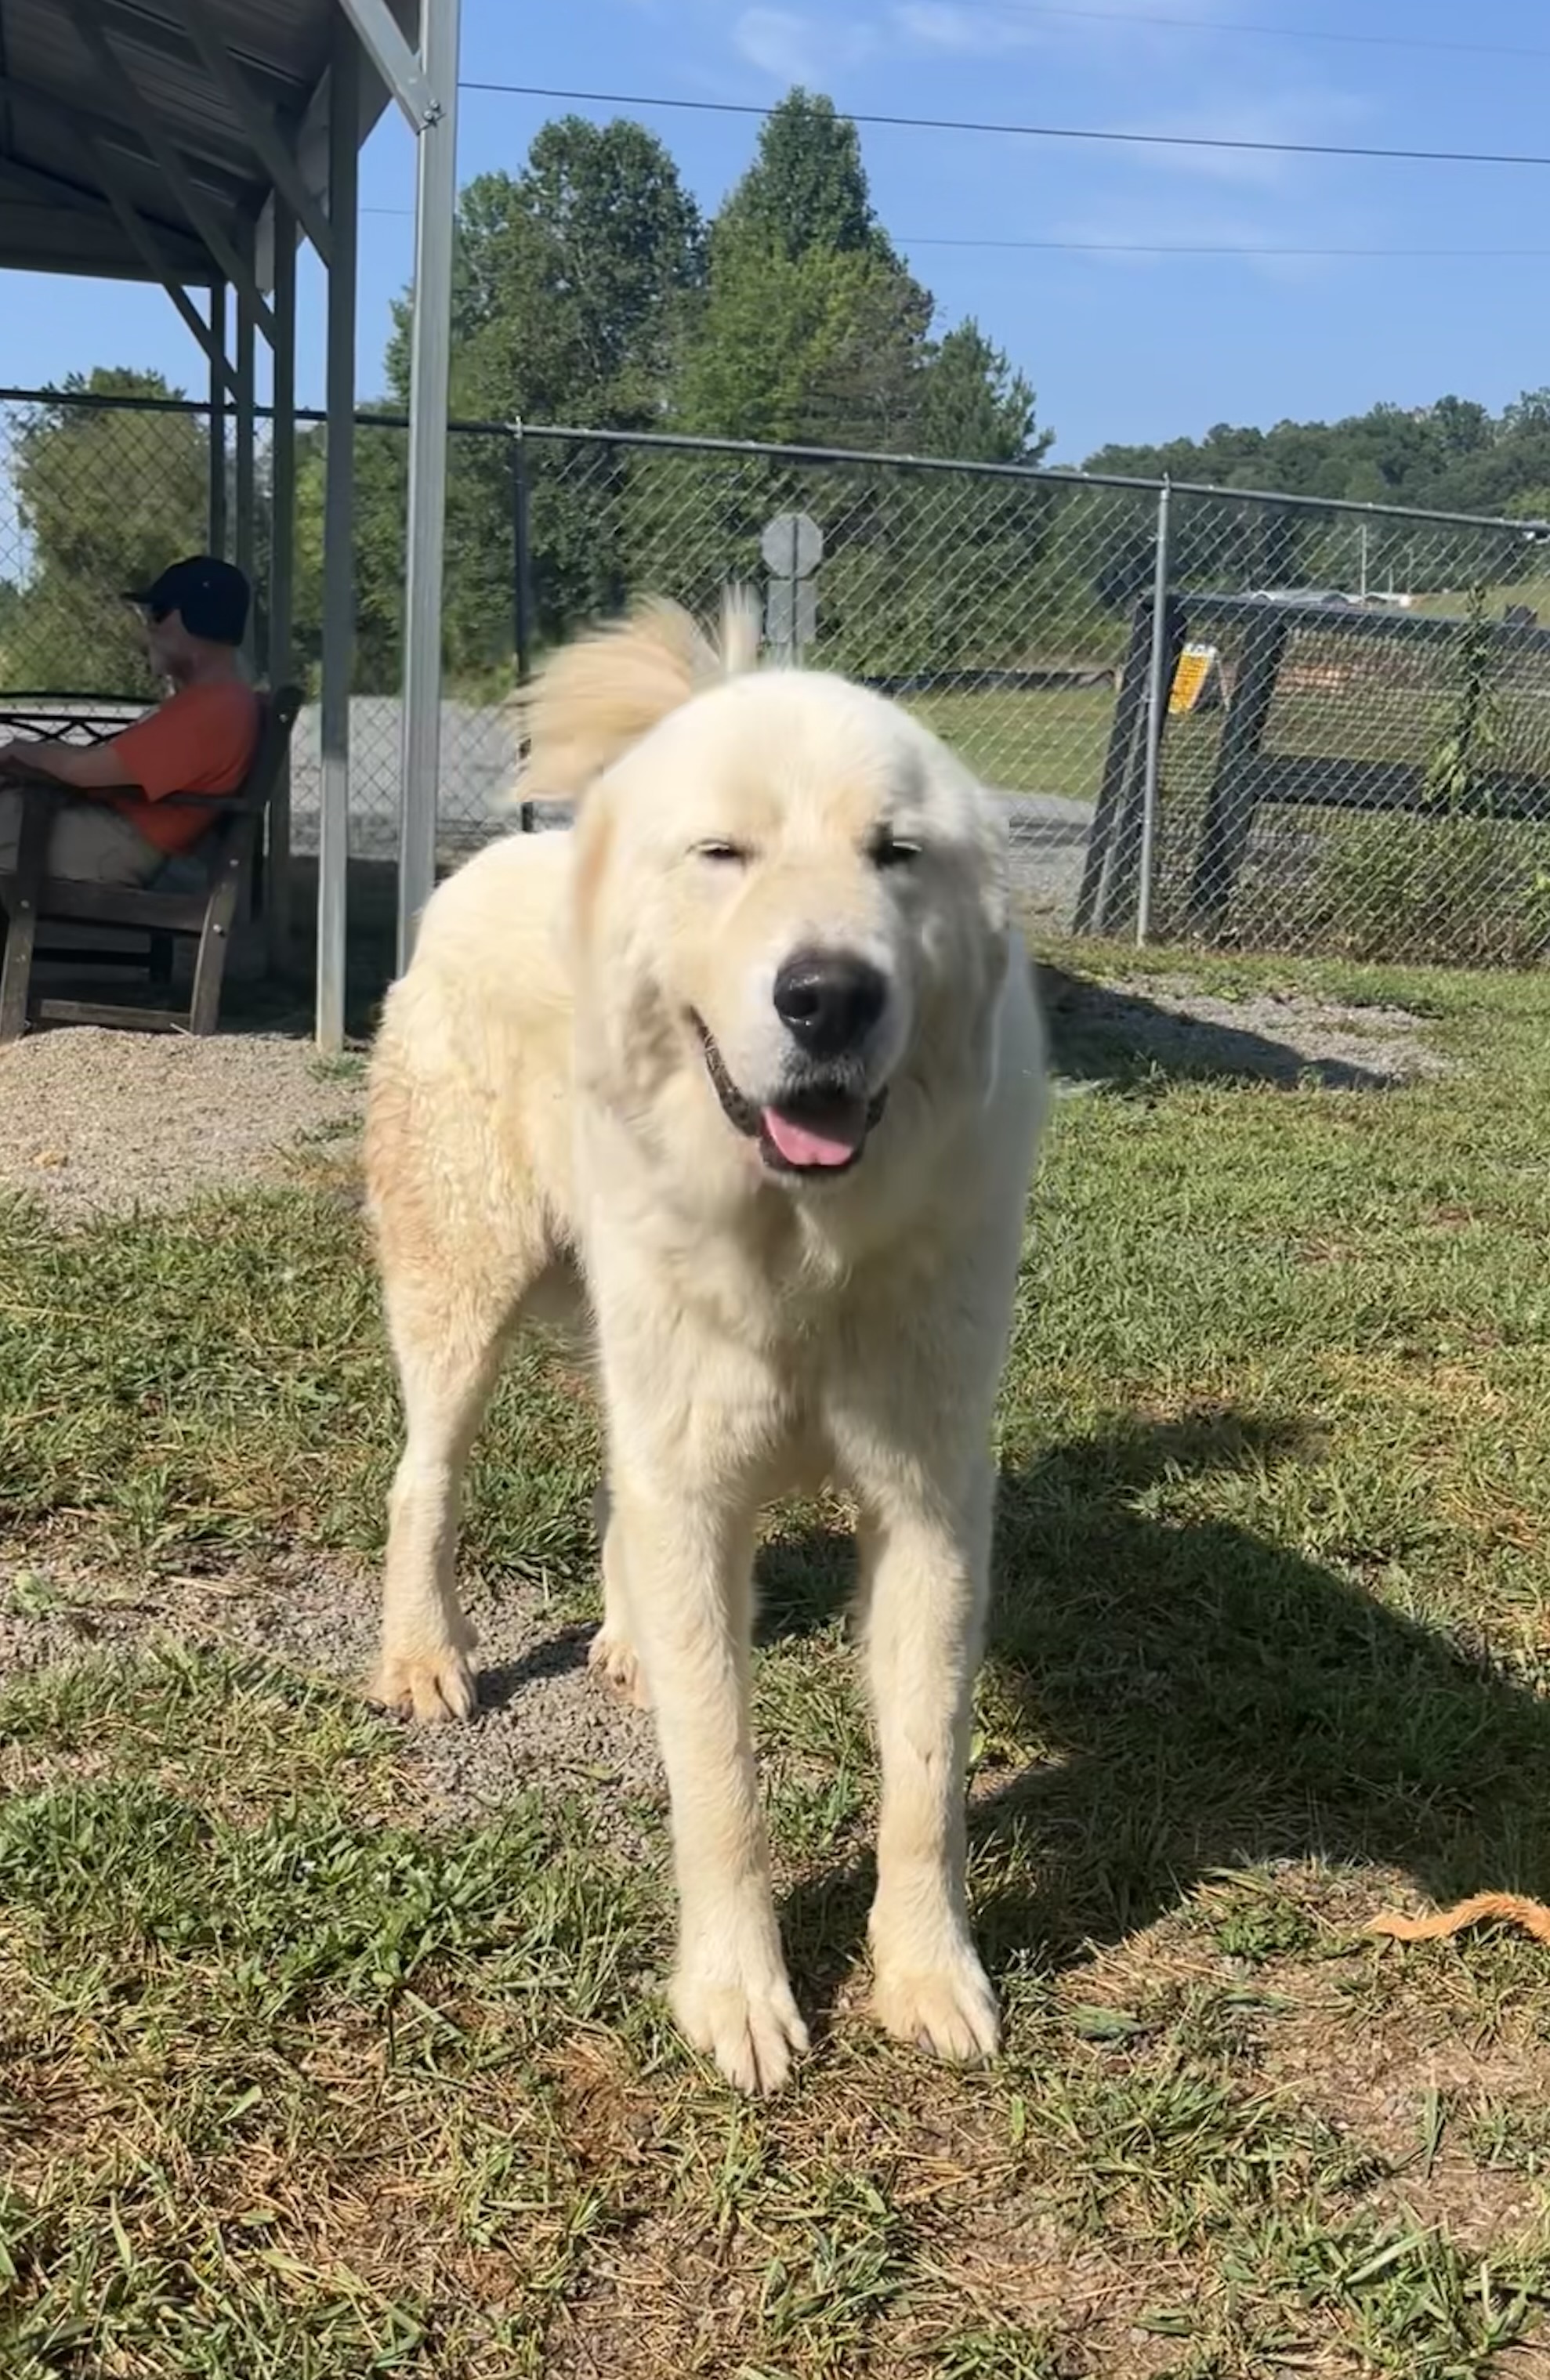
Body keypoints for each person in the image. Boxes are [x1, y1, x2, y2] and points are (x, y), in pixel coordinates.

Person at [0, 556, 261, 885]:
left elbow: (84, 772)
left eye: (159, 613)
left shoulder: (215, 707)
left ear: (201, 617)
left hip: (114, 844)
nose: (149, 626)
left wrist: (20, 751)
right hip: (107, 830)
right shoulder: (212, 700)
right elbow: (106, 765)